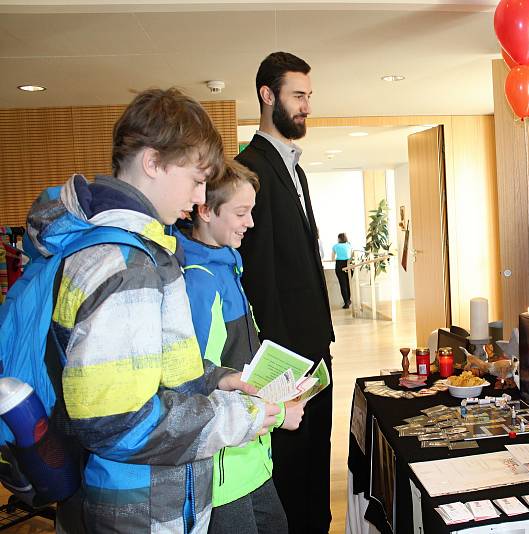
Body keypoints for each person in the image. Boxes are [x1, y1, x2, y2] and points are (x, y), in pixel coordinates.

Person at [26, 88, 279, 532]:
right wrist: (245, 415)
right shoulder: (125, 263)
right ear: (153, 162)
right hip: (142, 504)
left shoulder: (141, 251)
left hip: (152, 493)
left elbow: (158, 368)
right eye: (196, 178)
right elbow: (119, 421)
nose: (201, 194)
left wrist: (217, 378)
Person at [175, 159, 306, 534]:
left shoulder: (226, 268)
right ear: (204, 210)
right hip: (222, 471)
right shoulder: (200, 283)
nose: (250, 222)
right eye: (240, 212)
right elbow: (195, 383)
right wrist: (278, 416)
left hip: (250, 454)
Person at [235, 52, 334, 534]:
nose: (306, 106)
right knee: (293, 478)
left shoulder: (296, 169)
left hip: (314, 351)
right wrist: (279, 371)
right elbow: (258, 278)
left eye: (309, 97)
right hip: (287, 362)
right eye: (298, 96)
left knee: (316, 468)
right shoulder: (249, 170)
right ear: (266, 95)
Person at [331, 232, 352, 308]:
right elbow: (351, 255)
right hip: (348, 264)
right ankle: (349, 300)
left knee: (342, 284)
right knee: (347, 283)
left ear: (339, 238)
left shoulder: (335, 246)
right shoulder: (349, 245)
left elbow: (332, 258)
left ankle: (346, 302)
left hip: (339, 265)